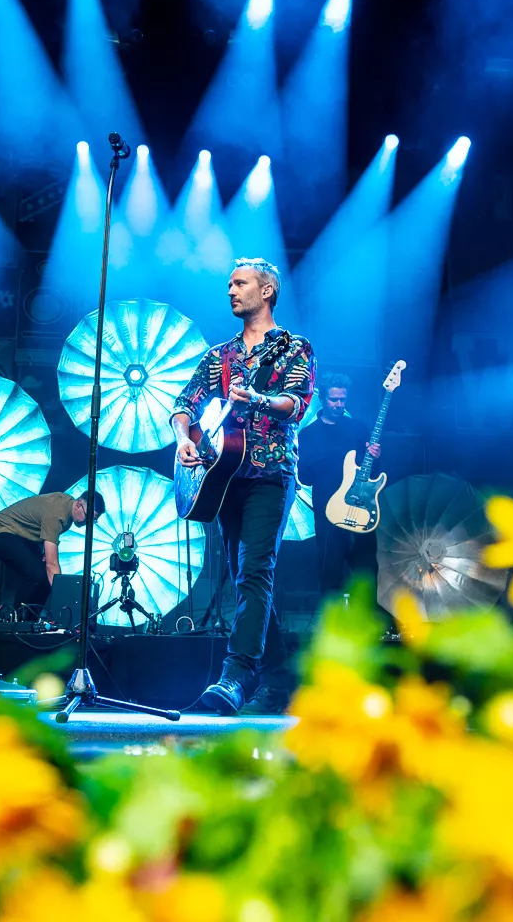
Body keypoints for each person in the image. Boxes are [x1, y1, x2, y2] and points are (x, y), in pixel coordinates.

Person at [171, 257, 315, 715]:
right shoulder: (220, 355)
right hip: (224, 475)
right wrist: (183, 438)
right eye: (229, 284)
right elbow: (184, 404)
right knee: (243, 577)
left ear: (266, 291)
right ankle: (280, 681)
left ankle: (235, 675)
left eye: (240, 283)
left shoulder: (293, 348)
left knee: (255, 570)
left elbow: (295, 403)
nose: (231, 291)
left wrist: (257, 398)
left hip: (271, 473)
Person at [296, 373, 381, 599]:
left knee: (366, 570)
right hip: (328, 511)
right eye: (334, 399)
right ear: (323, 399)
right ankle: (331, 617)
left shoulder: (358, 428)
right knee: (330, 570)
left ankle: (366, 616)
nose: (339, 404)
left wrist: (375, 457)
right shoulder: (308, 434)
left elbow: (372, 474)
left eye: (343, 399)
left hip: (360, 507)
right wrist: (313, 460)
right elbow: (305, 478)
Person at [0, 491, 106, 614]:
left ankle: (31, 621)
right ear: (78, 505)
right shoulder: (57, 515)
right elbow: (52, 564)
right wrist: (65, 600)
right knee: (36, 574)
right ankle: (15, 618)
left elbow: (42, 528)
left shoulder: (68, 506)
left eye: (93, 520)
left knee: (45, 578)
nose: (88, 523)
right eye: (88, 517)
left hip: (21, 535)